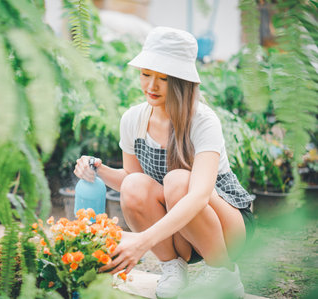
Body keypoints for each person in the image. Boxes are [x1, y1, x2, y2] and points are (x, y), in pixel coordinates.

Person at [74, 27, 255, 298]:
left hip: (227, 227)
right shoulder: (133, 119)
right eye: (146, 74)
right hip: (180, 226)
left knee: (178, 181)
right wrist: (97, 169)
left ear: (182, 80)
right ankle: (173, 269)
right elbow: (132, 182)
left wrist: (142, 241)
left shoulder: (203, 121)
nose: (151, 86)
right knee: (135, 185)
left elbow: (199, 195)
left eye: (164, 78)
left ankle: (224, 273)